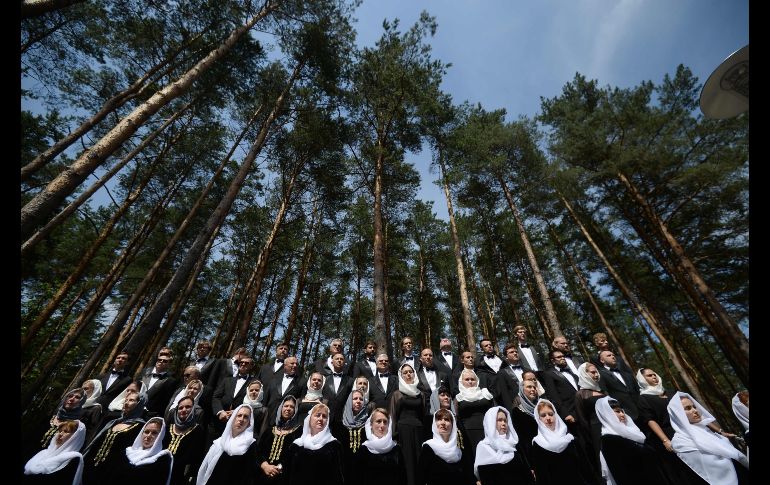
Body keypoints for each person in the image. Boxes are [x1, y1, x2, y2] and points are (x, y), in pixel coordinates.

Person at [667, 392, 749, 484]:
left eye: (694, 407)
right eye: (688, 408)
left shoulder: (704, 430)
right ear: (677, 413)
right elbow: (707, 468)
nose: (695, 410)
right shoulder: (680, 441)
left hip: (740, 471)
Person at [595, 397, 669, 485]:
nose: (622, 414)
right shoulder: (609, 440)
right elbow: (620, 473)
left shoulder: (633, 433)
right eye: (617, 411)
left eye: (622, 411)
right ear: (607, 414)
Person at [82, 392, 147, 484]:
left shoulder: (140, 428)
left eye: (131, 400)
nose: (126, 403)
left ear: (140, 404)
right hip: (90, 466)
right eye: (126, 400)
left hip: (111, 472)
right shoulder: (113, 422)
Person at [530, 399, 596, 485]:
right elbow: (542, 476)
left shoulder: (570, 439)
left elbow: (586, 468)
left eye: (550, 414)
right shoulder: (538, 443)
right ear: (538, 419)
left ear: (556, 415)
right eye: (543, 415)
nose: (548, 418)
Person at [284, 403, 344, 485]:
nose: (321, 419)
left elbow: (338, 477)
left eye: (324, 416)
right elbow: (287, 474)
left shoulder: (334, 445)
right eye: (317, 415)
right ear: (310, 418)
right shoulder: (296, 445)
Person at [196, 404, 257, 485]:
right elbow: (205, 467)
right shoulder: (220, 442)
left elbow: (247, 475)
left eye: (246, 417)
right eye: (239, 415)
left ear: (249, 422)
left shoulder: (250, 444)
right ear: (233, 418)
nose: (241, 419)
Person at [474, 406, 534, 485]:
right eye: (499, 420)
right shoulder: (484, 447)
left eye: (505, 421)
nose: (503, 423)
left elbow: (526, 473)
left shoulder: (514, 443)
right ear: (490, 422)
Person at [388, 363, 426, 485]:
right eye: (405, 373)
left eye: (410, 372)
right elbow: (393, 415)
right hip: (403, 432)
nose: (408, 374)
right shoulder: (397, 394)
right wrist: (394, 436)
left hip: (418, 431)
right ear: (401, 376)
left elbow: (423, 414)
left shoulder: (421, 394)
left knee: (419, 461)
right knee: (406, 462)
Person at [417, 409, 475, 485]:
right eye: (439, 419)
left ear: (453, 425)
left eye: (447, 420)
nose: (443, 423)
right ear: (434, 424)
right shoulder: (428, 447)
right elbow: (420, 478)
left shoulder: (458, 452)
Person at [255, 395, 302, 485]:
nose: (288, 409)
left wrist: (278, 468)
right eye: (286, 406)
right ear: (281, 408)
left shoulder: (298, 431)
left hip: (284, 477)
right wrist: (265, 466)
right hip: (262, 474)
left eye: (292, 407)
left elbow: (296, 455)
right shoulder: (269, 430)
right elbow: (258, 451)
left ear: (295, 411)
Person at [112, 417, 173, 485]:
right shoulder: (127, 452)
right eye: (146, 432)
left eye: (154, 433)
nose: (148, 436)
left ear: (161, 436)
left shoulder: (162, 459)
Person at [23, 420, 86, 485]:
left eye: (66, 431)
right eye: (60, 431)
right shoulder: (44, 453)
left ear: (75, 437)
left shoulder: (72, 458)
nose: (60, 434)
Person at [354, 408, 407, 485]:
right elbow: (357, 478)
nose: (382, 425)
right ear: (371, 425)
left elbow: (403, 478)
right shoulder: (364, 450)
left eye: (385, 422)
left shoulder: (396, 449)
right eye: (378, 421)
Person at [30, 388, 87, 459]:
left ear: (82, 402)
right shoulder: (50, 416)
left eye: (77, 397)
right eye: (70, 396)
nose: (72, 399)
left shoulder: (76, 427)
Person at [573, 362, 606, 481]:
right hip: (597, 433)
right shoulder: (580, 394)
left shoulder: (602, 391)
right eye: (592, 372)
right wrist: (591, 437)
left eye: (596, 372)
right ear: (584, 374)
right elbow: (582, 419)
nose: (596, 375)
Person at [163, 396, 206, 485]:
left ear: (193, 409)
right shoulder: (167, 428)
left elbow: (195, 457)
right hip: (160, 470)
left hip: (180, 476)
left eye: (188, 407)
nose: (183, 410)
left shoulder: (198, 431)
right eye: (180, 408)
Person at [454, 368, 494, 461]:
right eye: (467, 379)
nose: (470, 381)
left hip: (487, 430)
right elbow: (457, 416)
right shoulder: (458, 398)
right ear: (461, 382)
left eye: (472, 379)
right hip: (467, 432)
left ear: (477, 381)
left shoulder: (486, 394)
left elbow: (494, 411)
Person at [333, 388, 371, 479]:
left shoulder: (369, 424)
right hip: (343, 469)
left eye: (361, 399)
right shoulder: (339, 425)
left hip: (364, 469)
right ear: (349, 401)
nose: (358, 401)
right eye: (355, 399)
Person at [597, 350, 640, 422]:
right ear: (602, 360)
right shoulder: (600, 375)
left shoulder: (627, 374)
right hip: (624, 415)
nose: (613, 357)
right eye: (609, 355)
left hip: (642, 412)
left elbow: (637, 391)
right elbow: (605, 395)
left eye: (613, 355)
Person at [508, 379, 539, 471]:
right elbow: (522, 440)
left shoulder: (542, 406)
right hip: (533, 453)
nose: (533, 389)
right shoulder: (517, 412)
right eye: (529, 387)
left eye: (534, 387)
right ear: (522, 390)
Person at [140, 351, 180, 418]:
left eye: (165, 361)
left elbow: (166, 401)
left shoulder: (171, 381)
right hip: (133, 409)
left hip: (151, 415)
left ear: (169, 365)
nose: (161, 361)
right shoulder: (144, 373)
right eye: (159, 360)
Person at [322, 353, 354, 427]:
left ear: (344, 363)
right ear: (332, 362)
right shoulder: (324, 379)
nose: (339, 360)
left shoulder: (350, 380)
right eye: (337, 359)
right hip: (325, 417)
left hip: (342, 419)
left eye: (341, 359)